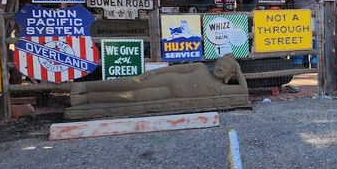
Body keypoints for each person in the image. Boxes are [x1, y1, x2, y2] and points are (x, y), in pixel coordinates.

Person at [70, 55, 245, 105]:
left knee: (135, 96)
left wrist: (239, 71)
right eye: (219, 63)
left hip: (170, 92)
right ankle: (85, 85)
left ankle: (87, 98)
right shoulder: (200, 67)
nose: (220, 67)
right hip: (169, 78)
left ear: (231, 73)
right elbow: (175, 68)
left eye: (225, 68)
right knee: (131, 82)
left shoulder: (221, 89)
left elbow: (243, 91)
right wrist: (154, 73)